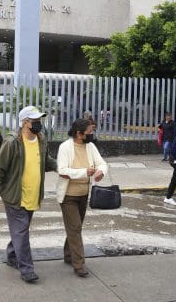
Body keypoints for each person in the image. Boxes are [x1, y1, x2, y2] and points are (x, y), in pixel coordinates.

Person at [0, 106, 57, 283]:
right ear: (25, 122)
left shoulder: (41, 140)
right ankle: (26, 268)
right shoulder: (12, 143)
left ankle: (12, 256)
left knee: (21, 230)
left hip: (33, 194)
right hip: (15, 195)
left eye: (39, 120)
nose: (38, 124)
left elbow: (46, 161)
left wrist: (60, 167)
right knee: (21, 232)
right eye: (35, 120)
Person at [56, 118, 108, 278]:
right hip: (68, 196)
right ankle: (79, 265)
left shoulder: (90, 146)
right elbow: (62, 170)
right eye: (89, 132)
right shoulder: (65, 147)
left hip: (84, 195)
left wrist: (101, 172)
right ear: (79, 133)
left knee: (74, 228)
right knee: (76, 228)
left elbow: (102, 163)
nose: (92, 135)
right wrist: (84, 172)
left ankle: (68, 254)